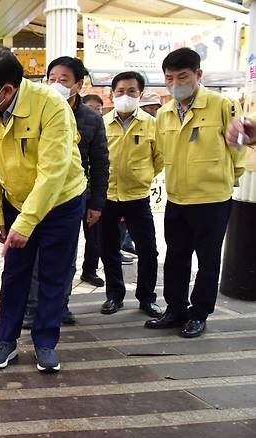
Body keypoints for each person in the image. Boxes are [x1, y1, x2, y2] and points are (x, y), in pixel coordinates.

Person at [0, 45, 87, 373]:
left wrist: (27, 223)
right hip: (16, 201)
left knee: (53, 273)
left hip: (61, 202)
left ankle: (45, 342)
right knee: (14, 273)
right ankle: (5, 341)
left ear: (6, 90)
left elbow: (54, 171)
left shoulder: (51, 105)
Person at [146, 48, 246, 338]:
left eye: (183, 76)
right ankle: (175, 309)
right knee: (175, 257)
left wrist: (227, 180)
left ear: (198, 75)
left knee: (208, 259)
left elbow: (237, 148)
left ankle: (199, 313)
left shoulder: (222, 105)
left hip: (213, 199)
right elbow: (163, 154)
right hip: (177, 197)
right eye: (169, 78)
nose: (176, 83)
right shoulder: (164, 113)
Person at [21, 57, 109, 329]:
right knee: (35, 257)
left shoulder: (91, 119)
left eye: (64, 80)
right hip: (39, 194)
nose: (56, 84)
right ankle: (33, 308)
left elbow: (100, 162)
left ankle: (60, 305)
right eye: (52, 78)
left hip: (73, 196)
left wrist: (96, 204)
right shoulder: (37, 110)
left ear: (78, 85)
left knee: (66, 257)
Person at [100, 71, 163, 318]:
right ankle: (114, 296)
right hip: (107, 197)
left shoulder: (151, 124)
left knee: (148, 250)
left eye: (131, 91)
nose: (125, 96)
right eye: (120, 91)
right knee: (109, 249)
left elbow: (159, 159)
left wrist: (142, 176)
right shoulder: (102, 124)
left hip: (138, 198)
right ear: (113, 94)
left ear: (140, 94)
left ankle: (147, 298)